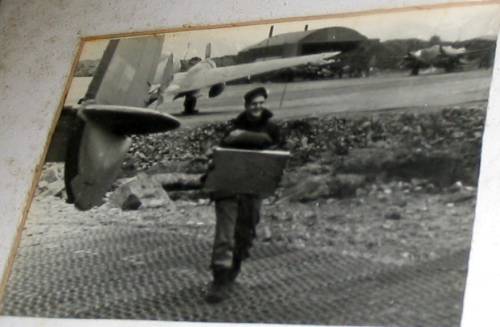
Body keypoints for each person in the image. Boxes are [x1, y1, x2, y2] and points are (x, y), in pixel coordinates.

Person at [205, 86, 281, 303]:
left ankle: (233, 270)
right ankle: (219, 279)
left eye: (261, 103)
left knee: (246, 232)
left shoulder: (272, 129)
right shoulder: (232, 127)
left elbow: (276, 148)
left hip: (253, 187)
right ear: (246, 106)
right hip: (229, 186)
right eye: (253, 103)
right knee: (225, 234)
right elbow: (221, 147)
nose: (257, 107)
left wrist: (245, 138)